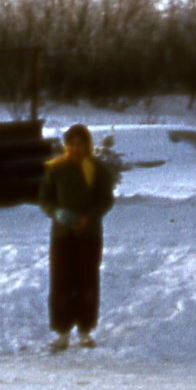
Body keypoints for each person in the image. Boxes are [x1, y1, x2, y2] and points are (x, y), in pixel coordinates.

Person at [37, 123, 116, 351]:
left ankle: (84, 330)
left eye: (81, 144)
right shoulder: (56, 169)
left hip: (89, 234)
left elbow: (106, 200)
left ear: (88, 146)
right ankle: (62, 332)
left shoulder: (97, 169)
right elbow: (45, 199)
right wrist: (57, 213)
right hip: (62, 234)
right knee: (61, 281)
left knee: (86, 281)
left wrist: (89, 217)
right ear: (66, 146)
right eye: (72, 144)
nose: (76, 148)